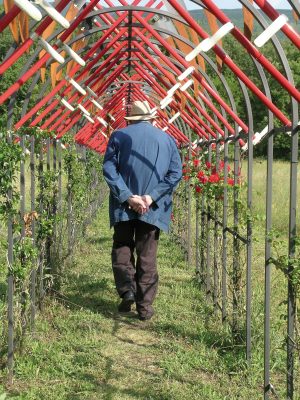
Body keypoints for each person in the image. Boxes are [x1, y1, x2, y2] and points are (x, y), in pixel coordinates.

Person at [102, 100, 182, 321]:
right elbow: (175, 174)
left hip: (123, 205)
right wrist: (150, 197)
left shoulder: (119, 136)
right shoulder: (167, 140)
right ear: (151, 118)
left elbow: (109, 168)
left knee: (122, 247)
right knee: (147, 255)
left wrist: (128, 196)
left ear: (133, 119)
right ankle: (144, 307)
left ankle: (127, 290)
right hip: (152, 209)